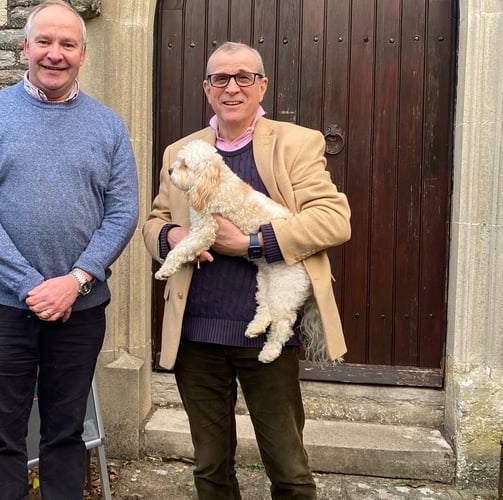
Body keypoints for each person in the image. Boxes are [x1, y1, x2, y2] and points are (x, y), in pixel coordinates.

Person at [142, 41, 351, 499]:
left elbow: (334, 220)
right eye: (220, 78)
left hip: (264, 335)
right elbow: (155, 220)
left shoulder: (297, 143)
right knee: (211, 468)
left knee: (289, 469)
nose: (231, 87)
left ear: (262, 86)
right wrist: (171, 239)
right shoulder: (181, 151)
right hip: (197, 332)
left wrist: (252, 243)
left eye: (243, 77)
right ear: (207, 88)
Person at [0, 1, 139, 498]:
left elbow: (122, 213)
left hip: (80, 309)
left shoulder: (108, 126)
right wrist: (33, 286)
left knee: (64, 434)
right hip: (4, 308)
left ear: (83, 53)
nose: (55, 54)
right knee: (1, 439)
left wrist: (75, 280)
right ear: (25, 48)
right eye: (45, 42)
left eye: (67, 44)